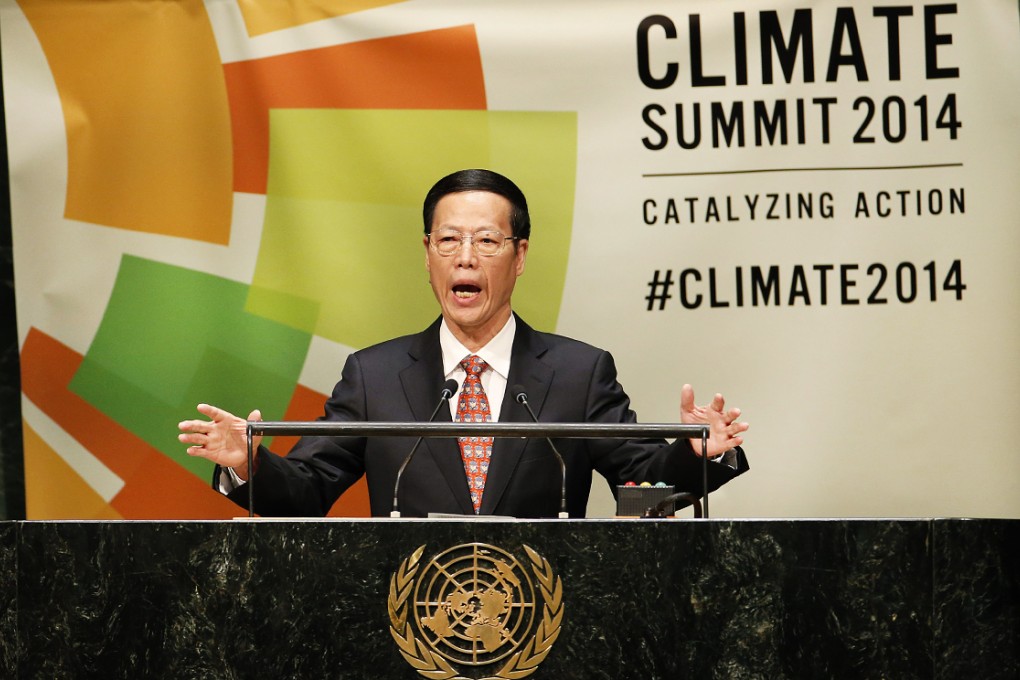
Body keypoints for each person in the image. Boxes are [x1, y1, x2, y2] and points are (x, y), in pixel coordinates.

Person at [178, 169, 749, 517]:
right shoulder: (374, 376)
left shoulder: (578, 372)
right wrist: (250, 465)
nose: (465, 257)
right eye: (448, 239)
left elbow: (646, 486)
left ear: (520, 255)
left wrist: (698, 453)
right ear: (427, 254)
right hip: (411, 629)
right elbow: (307, 491)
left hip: (544, 626)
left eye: (486, 240)